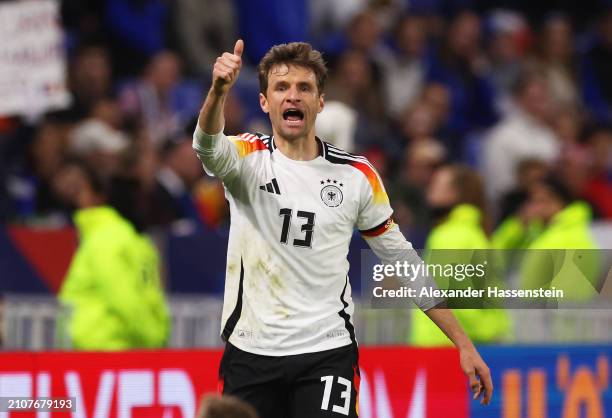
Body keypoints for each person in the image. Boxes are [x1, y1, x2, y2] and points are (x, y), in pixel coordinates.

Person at [193, 40, 493, 418]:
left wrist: (463, 343)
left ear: (320, 102)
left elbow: (404, 263)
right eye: (281, 88)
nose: (293, 96)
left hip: (325, 350)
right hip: (251, 350)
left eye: (304, 88)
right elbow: (206, 146)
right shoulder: (246, 158)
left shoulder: (356, 176)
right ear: (265, 102)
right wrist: (219, 91)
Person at [53, 159, 170, 350]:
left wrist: (154, 340)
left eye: (83, 191)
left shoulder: (106, 239)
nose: (78, 199)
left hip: (102, 351)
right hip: (117, 348)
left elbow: (124, 298)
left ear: (98, 197)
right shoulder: (126, 237)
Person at [410, 165, 511, 346]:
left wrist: (488, 331)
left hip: (442, 346)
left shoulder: (450, 235)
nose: (430, 187)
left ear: (454, 193)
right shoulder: (478, 233)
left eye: (437, 183)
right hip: (464, 345)